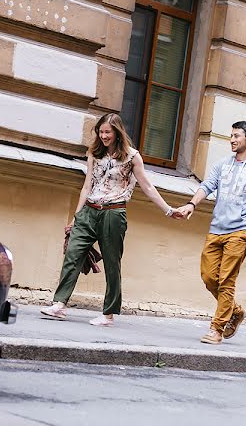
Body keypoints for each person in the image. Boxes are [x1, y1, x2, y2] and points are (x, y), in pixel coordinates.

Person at [41, 113, 179, 326]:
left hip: (113, 213)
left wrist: (169, 210)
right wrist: (77, 216)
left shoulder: (132, 157)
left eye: (108, 132)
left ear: (117, 132)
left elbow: (148, 187)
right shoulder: (94, 154)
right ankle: (59, 304)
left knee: (112, 262)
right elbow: (87, 186)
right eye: (101, 132)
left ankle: (108, 314)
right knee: (73, 253)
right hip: (89, 210)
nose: (103, 136)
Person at [175, 121, 246, 344]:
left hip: (240, 231)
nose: (232, 140)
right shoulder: (222, 165)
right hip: (216, 229)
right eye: (231, 136)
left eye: (237, 136)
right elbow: (207, 186)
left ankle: (217, 329)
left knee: (226, 279)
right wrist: (191, 204)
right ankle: (235, 311)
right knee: (209, 277)